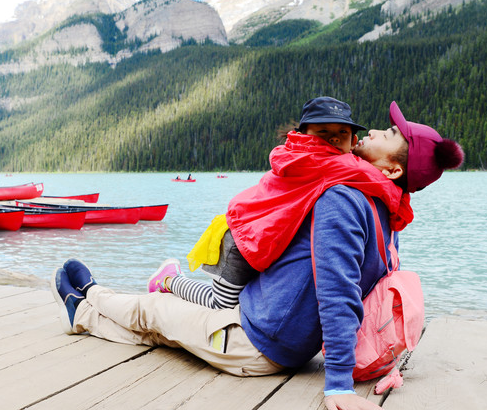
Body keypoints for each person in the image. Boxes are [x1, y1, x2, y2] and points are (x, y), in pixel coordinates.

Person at [51, 101, 464, 410]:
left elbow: (339, 294)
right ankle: (82, 315)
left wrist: (338, 384)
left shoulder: (346, 199)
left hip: (256, 345)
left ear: (393, 169)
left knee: (152, 310)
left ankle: (91, 294)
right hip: (270, 328)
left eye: (390, 134)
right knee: (160, 335)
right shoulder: (386, 208)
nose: (375, 129)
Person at [154, 96, 398, 310]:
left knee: (241, 303)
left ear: (353, 140)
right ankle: (169, 280)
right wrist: (400, 199)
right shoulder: (316, 159)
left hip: (262, 239)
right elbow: (373, 179)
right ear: (305, 136)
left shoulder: (324, 160)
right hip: (241, 241)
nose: (333, 139)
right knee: (222, 304)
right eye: (323, 132)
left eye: (341, 133)